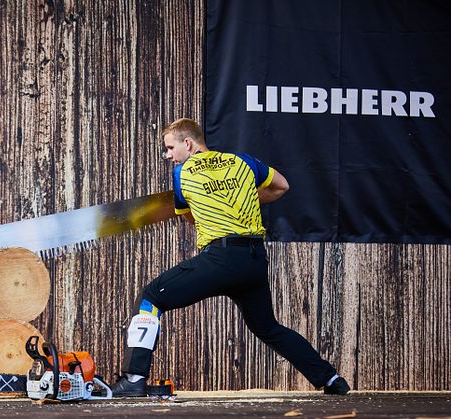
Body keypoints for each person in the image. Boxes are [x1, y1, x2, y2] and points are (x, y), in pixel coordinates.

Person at [110, 118, 350, 396]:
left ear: (187, 143)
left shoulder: (182, 171)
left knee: (151, 297)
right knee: (268, 327)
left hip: (219, 260)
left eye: (170, 147)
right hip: (253, 262)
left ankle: (134, 379)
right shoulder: (244, 161)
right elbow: (282, 186)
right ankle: (331, 379)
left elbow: (190, 215)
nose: (168, 155)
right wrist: (244, 197)